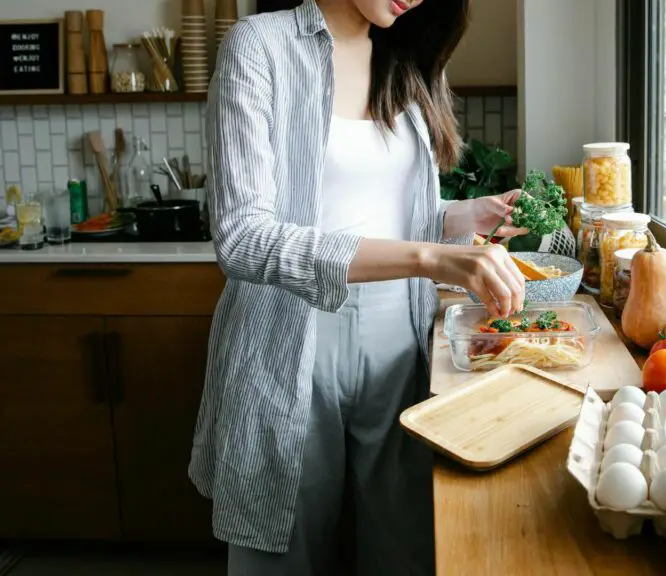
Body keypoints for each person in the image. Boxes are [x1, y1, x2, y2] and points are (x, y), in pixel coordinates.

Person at [188, 0, 527, 573]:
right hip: (289, 345)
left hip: (400, 343)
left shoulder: (405, 55)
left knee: (406, 548)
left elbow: (379, 212)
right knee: (282, 554)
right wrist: (428, 257)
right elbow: (243, 237)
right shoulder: (260, 46)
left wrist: (463, 216)